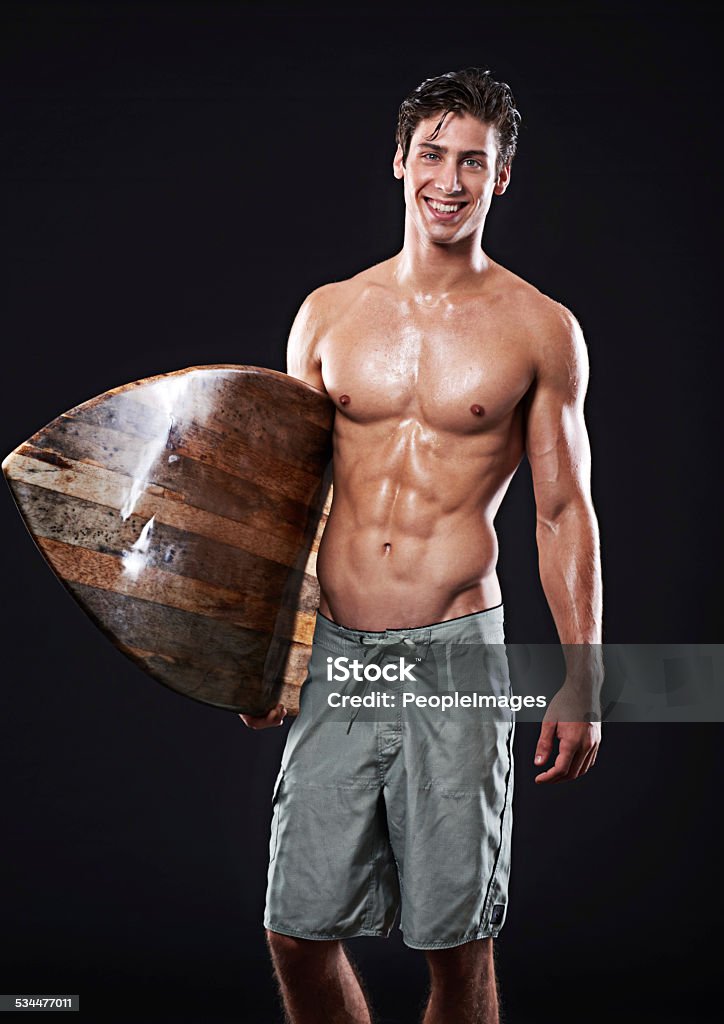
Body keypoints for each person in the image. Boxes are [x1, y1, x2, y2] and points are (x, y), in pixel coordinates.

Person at [240, 67, 603, 1024]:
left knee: (457, 945)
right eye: (433, 155)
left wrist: (582, 675)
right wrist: (266, 653)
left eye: (473, 161)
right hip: (342, 653)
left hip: (456, 655)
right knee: (296, 929)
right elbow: (290, 497)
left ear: (502, 177)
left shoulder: (540, 328)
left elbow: (564, 509)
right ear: (400, 162)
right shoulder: (327, 314)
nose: (450, 179)